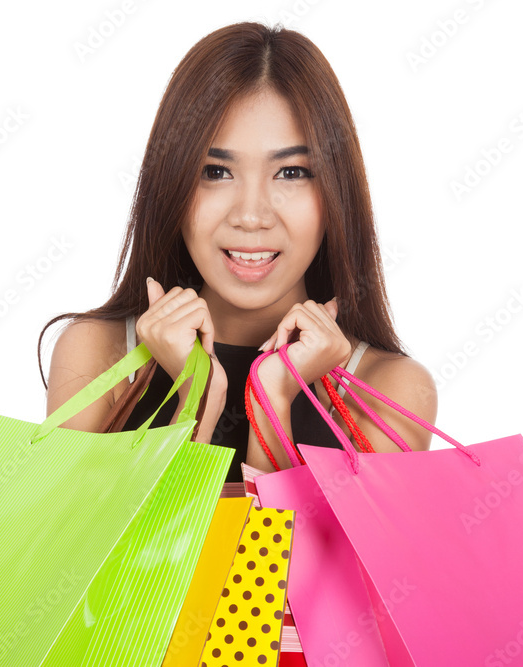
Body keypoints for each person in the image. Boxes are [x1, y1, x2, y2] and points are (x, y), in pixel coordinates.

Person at [37, 21, 437, 482]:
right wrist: (194, 402)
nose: (251, 215)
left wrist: (272, 405)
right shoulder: (100, 355)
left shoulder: (386, 391)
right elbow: (95, 554)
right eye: (216, 171)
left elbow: (283, 557)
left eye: (291, 173)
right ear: (172, 187)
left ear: (335, 193)